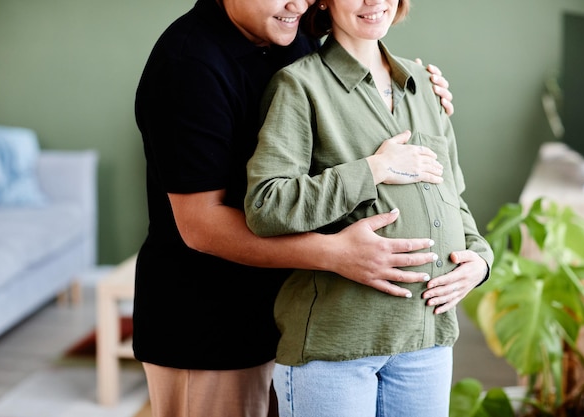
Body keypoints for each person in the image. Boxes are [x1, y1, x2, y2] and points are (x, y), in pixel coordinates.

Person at [133, 0, 456, 416]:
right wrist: (335, 254)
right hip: (211, 325)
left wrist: (417, 90)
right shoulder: (187, 65)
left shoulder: (291, 33)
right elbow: (200, 226)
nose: (298, 2)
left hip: (296, 315)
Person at [243, 0, 493, 416]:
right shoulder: (299, 86)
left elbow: (452, 196)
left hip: (426, 341)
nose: (373, 2)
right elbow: (266, 205)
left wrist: (480, 260)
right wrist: (372, 170)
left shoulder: (425, 84)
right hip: (336, 347)